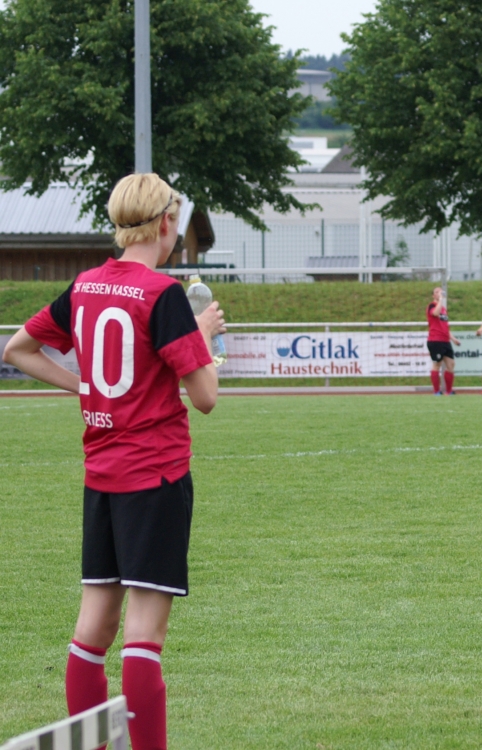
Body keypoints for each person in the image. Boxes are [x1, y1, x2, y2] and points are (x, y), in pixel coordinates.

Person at [2, 173, 225, 750]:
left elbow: (18, 350)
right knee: (143, 639)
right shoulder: (163, 294)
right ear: (168, 224)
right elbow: (204, 398)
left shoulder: (84, 286)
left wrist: (82, 386)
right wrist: (201, 336)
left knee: (91, 633)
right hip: (154, 477)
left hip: (101, 479)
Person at [426, 286, 461, 395]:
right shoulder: (432, 305)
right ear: (433, 295)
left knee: (451, 364)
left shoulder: (444, 309)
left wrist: (453, 339)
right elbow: (435, 314)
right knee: (437, 364)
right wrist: (440, 300)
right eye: (437, 292)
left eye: (440, 291)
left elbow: (445, 326)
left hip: (445, 341)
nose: (439, 293)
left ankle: (449, 391)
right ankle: (436, 391)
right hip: (435, 340)